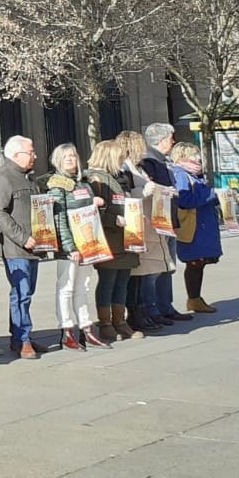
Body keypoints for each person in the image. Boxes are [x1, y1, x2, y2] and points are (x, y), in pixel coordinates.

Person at [0, 133, 50, 359]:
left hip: (35, 246)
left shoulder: (28, 178)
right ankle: (22, 339)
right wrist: (23, 238)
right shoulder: (2, 177)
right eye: (30, 152)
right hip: (16, 248)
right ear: (16, 154)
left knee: (28, 292)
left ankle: (21, 335)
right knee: (21, 293)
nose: (34, 156)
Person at [46, 143, 105, 351]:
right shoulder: (57, 185)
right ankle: (67, 330)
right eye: (65, 157)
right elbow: (59, 218)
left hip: (88, 243)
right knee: (67, 287)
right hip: (69, 246)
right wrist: (69, 247)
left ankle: (87, 328)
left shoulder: (83, 184)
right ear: (58, 161)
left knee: (84, 286)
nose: (70, 159)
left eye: (73, 155)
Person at [133, 124, 191, 328]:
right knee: (155, 269)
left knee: (168, 266)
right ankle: (153, 308)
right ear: (160, 140)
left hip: (167, 220)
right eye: (170, 138)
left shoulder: (162, 160)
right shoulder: (150, 161)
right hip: (157, 222)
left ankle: (166, 306)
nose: (173, 142)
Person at [82, 137, 137, 345]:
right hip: (110, 237)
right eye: (119, 157)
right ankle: (105, 323)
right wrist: (114, 219)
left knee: (122, 280)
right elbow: (93, 210)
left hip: (126, 236)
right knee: (108, 281)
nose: (123, 160)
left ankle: (119, 320)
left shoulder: (120, 177)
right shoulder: (97, 179)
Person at [169, 143, 222, 312]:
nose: (198, 158)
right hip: (194, 228)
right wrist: (213, 194)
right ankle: (194, 298)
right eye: (194, 155)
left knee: (199, 262)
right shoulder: (181, 174)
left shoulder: (193, 174)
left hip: (202, 226)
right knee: (194, 262)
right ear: (182, 157)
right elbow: (185, 201)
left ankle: (195, 298)